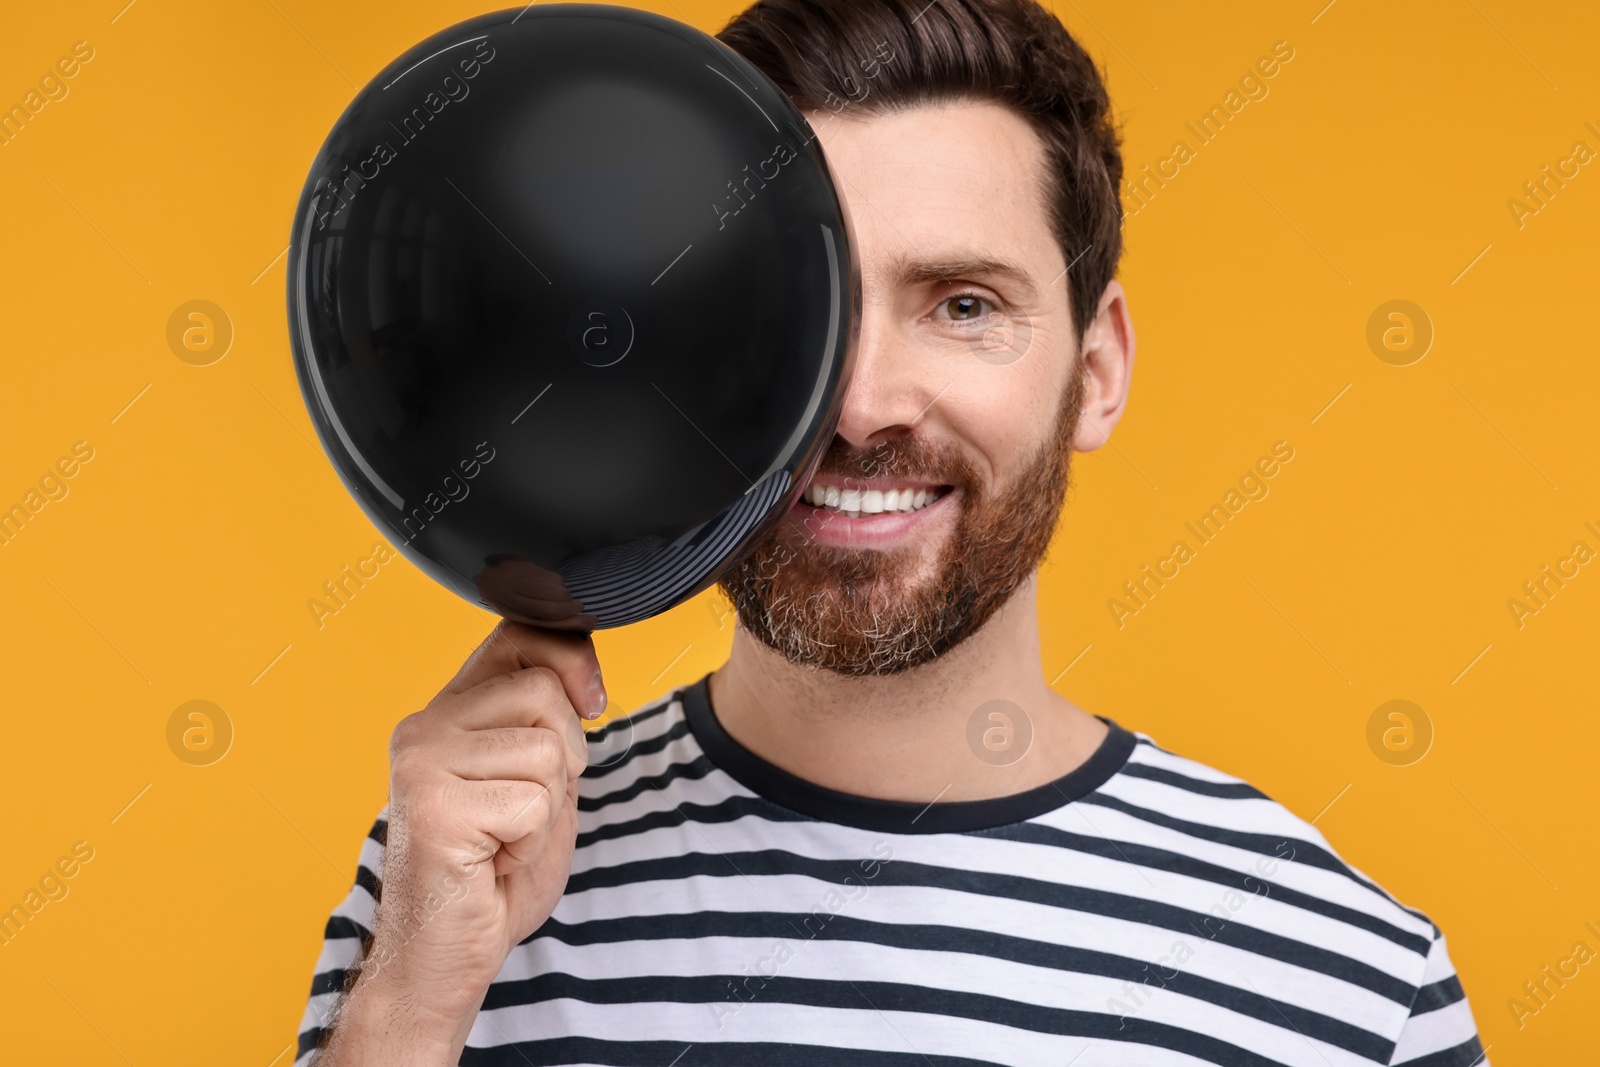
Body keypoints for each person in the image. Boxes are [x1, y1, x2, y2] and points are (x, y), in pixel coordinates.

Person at [293, 1, 1488, 1063]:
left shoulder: (1344, 980)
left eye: (963, 305)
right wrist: (407, 1009)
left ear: (1098, 367)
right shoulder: (449, 895)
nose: (861, 404)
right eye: (794, 308)